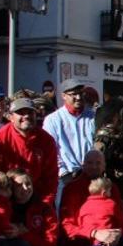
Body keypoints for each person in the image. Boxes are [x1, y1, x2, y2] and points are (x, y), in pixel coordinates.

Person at [0, 98, 59, 207]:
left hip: (36, 197)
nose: (26, 116)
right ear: (11, 117)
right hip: (6, 197)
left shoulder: (46, 140)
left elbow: (51, 176)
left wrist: (45, 203)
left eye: (30, 112)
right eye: (21, 113)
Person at [42, 79, 96, 207]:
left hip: (91, 175)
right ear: (64, 96)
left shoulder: (93, 116)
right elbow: (50, 150)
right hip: (66, 177)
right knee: (66, 215)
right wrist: (63, 173)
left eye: (81, 93)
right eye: (73, 94)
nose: (78, 97)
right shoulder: (53, 120)